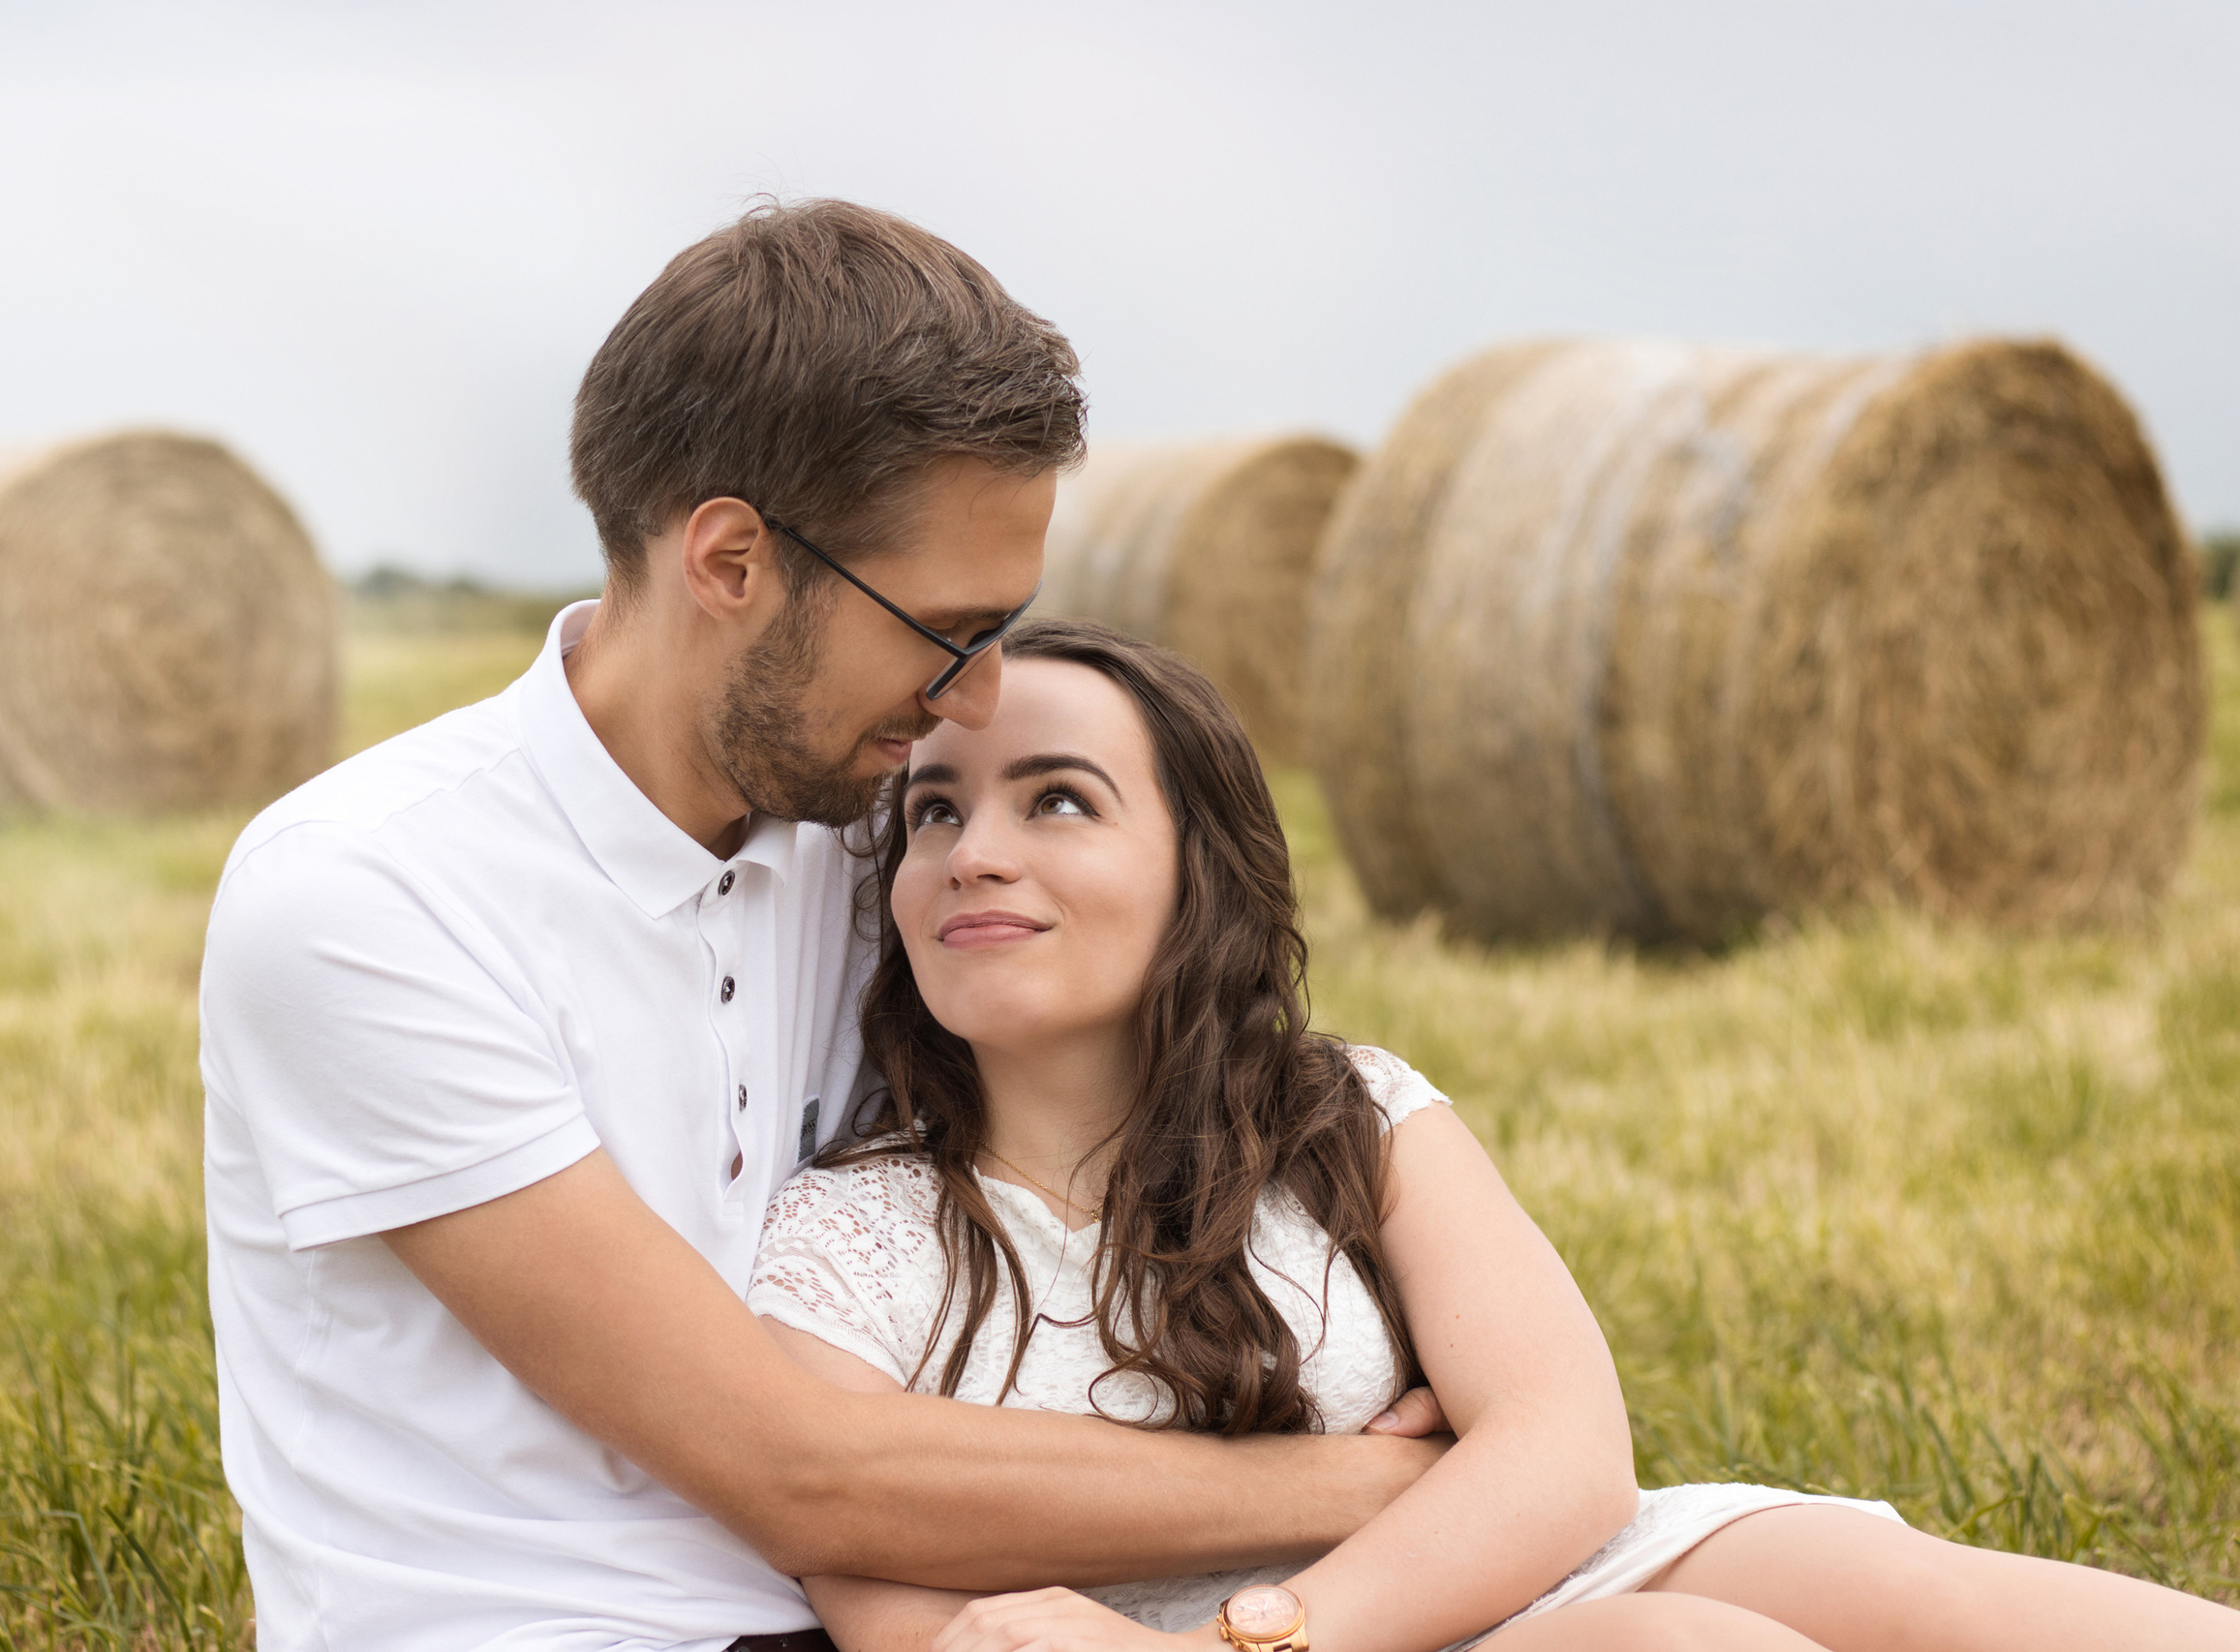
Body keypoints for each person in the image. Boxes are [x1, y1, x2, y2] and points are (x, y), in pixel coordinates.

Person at [199, 200, 1446, 1652]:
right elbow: (794, 1472)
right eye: (946, 629)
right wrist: (1366, 1483)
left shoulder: (886, 847)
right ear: (730, 561)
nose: (977, 696)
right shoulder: (366, 895)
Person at [749, 619, 2240, 1652]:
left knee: (1939, 1601)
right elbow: (872, 1570)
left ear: (1199, 872)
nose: (975, 851)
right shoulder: (850, 1233)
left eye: (1058, 800)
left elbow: (1568, 1455)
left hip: (1495, 1576)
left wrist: (1251, 1640)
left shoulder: (1343, 1113)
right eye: (932, 812)